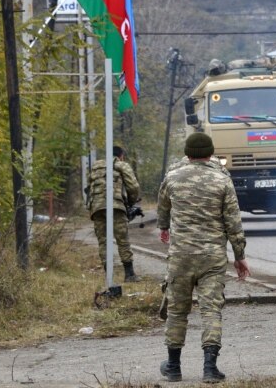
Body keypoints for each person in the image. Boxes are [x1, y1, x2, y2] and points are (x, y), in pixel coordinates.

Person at [157, 133, 251, 383]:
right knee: (211, 311)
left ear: (187, 153)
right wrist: (239, 256)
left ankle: (174, 366)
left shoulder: (172, 176)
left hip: (181, 256)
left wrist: (164, 227)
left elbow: (163, 206)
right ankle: (210, 368)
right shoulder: (222, 179)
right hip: (212, 257)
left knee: (177, 311)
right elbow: (233, 221)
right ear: (211, 153)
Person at [88, 145, 142, 282]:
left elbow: (89, 187)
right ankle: (129, 275)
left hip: (97, 207)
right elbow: (133, 187)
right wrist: (131, 202)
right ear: (121, 155)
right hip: (115, 206)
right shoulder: (121, 165)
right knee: (122, 240)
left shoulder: (96, 166)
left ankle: (108, 275)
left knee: (103, 241)